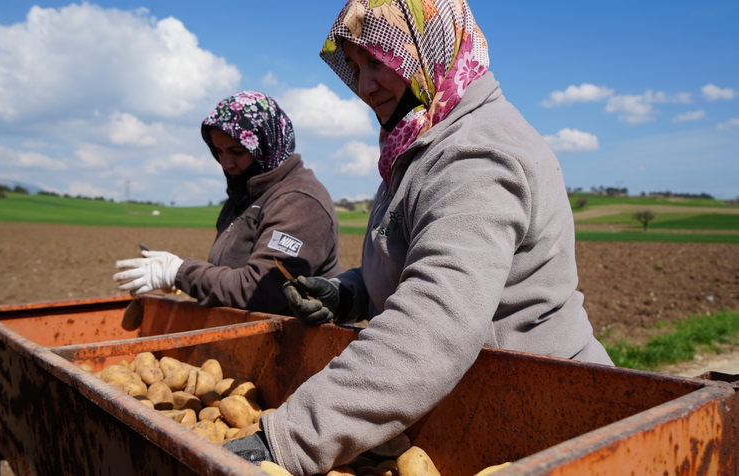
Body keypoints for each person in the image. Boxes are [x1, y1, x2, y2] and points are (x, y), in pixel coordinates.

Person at [223, 1, 614, 475]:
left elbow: (435, 323)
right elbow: (418, 262)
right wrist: (351, 293)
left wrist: (286, 442)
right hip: (479, 403)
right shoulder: (421, 143)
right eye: (356, 64)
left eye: (378, 60)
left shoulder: (475, 155)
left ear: (427, 45)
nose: (364, 86)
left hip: (546, 413)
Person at [113, 90, 342, 315]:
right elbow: (229, 275)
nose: (226, 163)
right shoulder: (241, 197)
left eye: (237, 151)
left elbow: (259, 291)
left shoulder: (300, 200)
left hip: (294, 343)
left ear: (266, 144)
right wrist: (184, 280)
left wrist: (180, 273)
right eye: (219, 151)